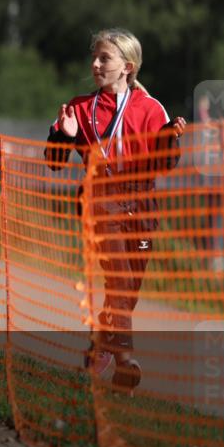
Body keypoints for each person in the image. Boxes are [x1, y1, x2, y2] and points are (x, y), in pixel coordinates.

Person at [44, 28, 185, 392]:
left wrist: (170, 140)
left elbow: (166, 164)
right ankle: (125, 359)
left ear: (127, 66)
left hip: (141, 202)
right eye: (94, 57)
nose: (95, 64)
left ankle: (100, 346)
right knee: (119, 278)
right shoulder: (77, 107)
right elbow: (54, 162)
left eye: (104, 58)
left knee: (129, 288)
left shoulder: (152, 109)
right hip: (100, 198)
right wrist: (65, 134)